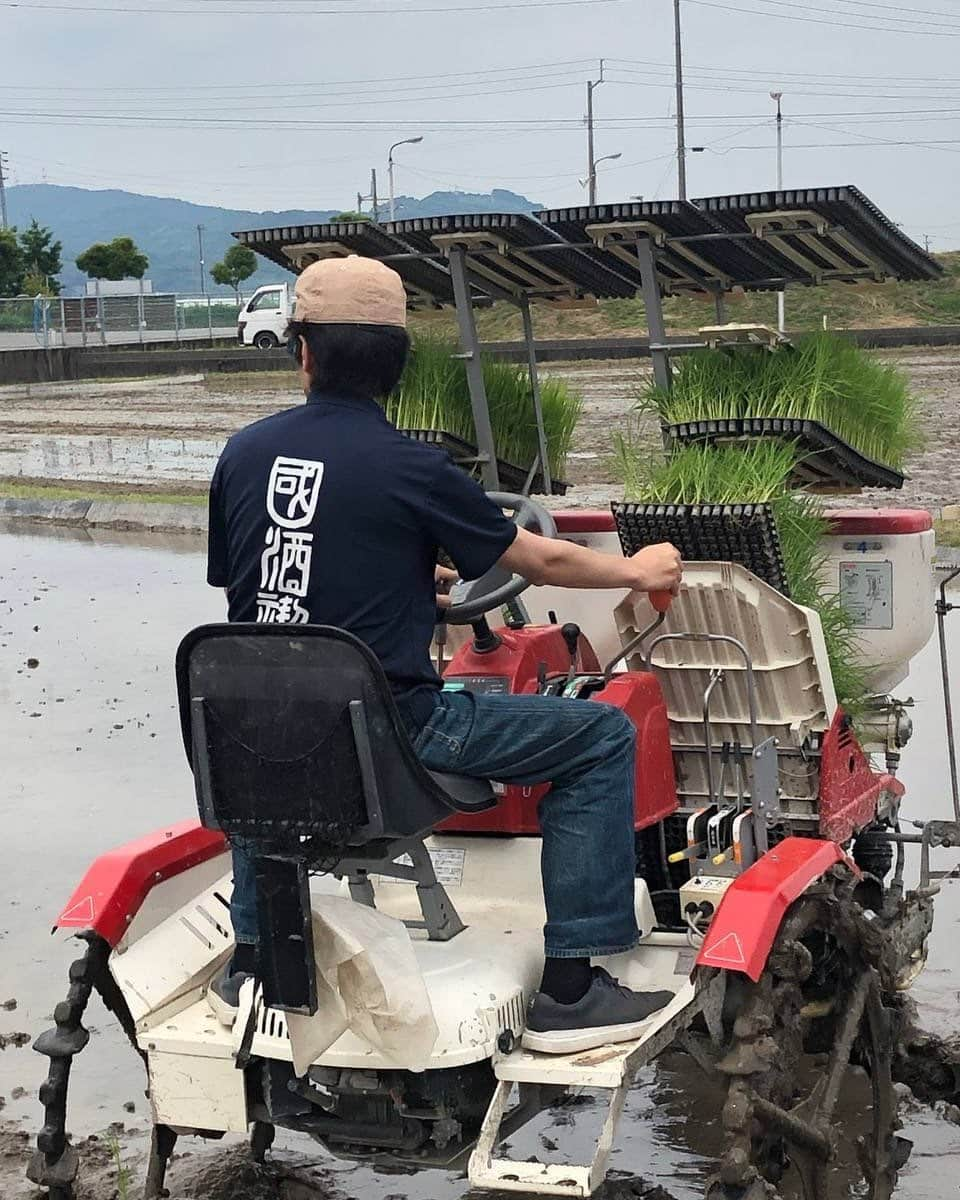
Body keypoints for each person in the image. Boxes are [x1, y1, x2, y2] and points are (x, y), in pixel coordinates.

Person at [205, 255, 683, 1054]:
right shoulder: (413, 467)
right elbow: (544, 561)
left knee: (261, 716)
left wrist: (395, 580)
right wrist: (640, 569)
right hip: (396, 735)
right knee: (601, 736)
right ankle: (570, 988)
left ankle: (252, 961)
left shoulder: (243, 455)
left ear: (304, 353)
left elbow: (258, 587)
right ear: (397, 364)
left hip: (260, 739)